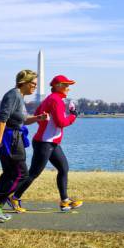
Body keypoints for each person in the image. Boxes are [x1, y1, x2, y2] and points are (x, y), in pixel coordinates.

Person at [8, 75, 83, 212]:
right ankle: (14, 197)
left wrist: (46, 123)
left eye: (69, 85)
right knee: (33, 173)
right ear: (58, 86)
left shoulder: (51, 99)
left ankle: (64, 201)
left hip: (50, 142)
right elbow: (61, 122)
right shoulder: (56, 100)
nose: (68, 88)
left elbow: (37, 114)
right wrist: (73, 115)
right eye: (66, 85)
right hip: (44, 143)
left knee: (63, 168)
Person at [0, 69, 48, 222]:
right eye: (32, 83)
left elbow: (23, 119)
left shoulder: (19, 96)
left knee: (9, 173)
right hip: (8, 139)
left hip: (13, 137)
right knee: (21, 174)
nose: (35, 86)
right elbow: (2, 118)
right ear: (23, 83)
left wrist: (38, 118)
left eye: (35, 84)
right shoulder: (13, 95)